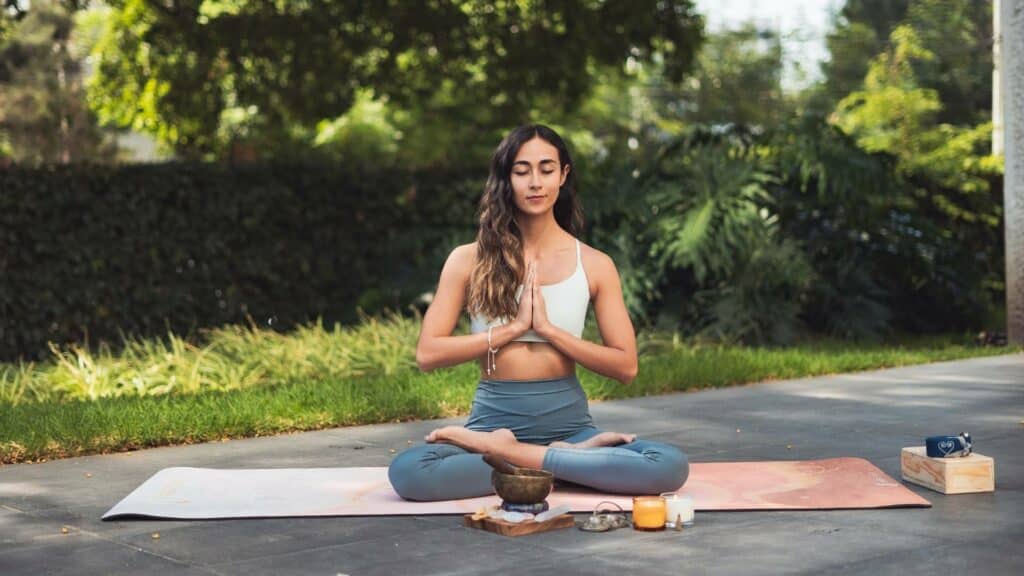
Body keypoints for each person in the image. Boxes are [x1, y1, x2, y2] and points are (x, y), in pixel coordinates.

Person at [387, 124, 688, 501]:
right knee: (410, 472)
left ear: (563, 176)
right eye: (521, 170)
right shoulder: (468, 260)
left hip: (570, 427)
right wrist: (511, 329)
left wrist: (549, 330)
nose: (535, 182)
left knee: (669, 464)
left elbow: (626, 367)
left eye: (546, 169)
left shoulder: (594, 264)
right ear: (506, 178)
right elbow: (428, 354)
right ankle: (570, 465)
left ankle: (515, 458)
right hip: (491, 424)